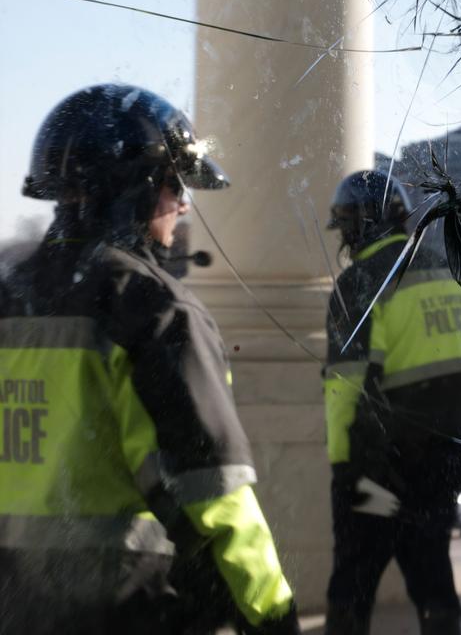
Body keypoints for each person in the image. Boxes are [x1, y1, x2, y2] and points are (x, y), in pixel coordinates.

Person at [0, 84, 300, 635]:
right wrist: (271, 613)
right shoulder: (149, 305)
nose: (183, 202)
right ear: (134, 190)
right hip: (123, 602)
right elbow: (212, 492)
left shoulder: (9, 294)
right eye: (173, 183)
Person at [322, 170, 461, 635]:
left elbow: (343, 392)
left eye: (347, 225)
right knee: (435, 585)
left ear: (361, 225)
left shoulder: (360, 282)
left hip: (379, 465)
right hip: (442, 465)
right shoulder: (452, 271)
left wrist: (345, 471)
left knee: (351, 588)